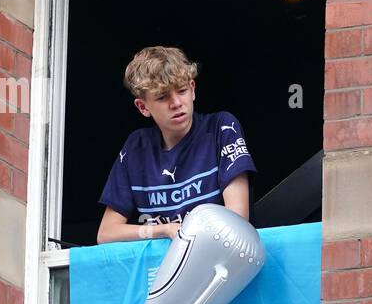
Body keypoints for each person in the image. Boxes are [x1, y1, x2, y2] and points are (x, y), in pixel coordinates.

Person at [97, 45, 255, 245]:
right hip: (162, 264)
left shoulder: (221, 128)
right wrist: (163, 230)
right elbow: (106, 234)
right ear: (143, 107)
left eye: (182, 91)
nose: (176, 103)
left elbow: (237, 221)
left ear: (193, 89)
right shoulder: (136, 147)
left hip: (220, 256)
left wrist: (182, 234)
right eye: (162, 97)